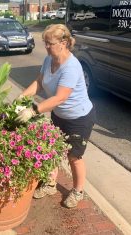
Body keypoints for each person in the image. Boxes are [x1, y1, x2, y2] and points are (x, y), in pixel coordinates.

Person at [15, 24, 95, 208]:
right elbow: (39, 83)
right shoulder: (48, 59)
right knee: (53, 150)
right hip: (59, 116)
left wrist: (33, 110)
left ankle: (77, 191)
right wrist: (22, 97)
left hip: (79, 119)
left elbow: (60, 97)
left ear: (64, 42)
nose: (46, 47)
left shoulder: (71, 67)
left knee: (73, 157)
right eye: (45, 43)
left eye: (50, 43)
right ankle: (51, 183)